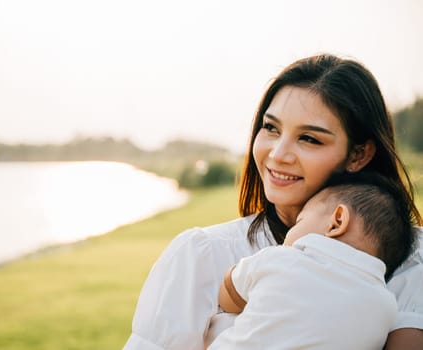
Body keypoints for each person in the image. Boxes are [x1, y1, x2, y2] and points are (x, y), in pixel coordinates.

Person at [123, 54, 423, 350]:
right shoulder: (202, 255)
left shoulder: (413, 261)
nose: (278, 154)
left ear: (358, 155)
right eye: (271, 128)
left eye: (309, 138)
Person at [210, 172, 416, 349]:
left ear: (337, 222)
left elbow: (228, 296)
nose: (288, 234)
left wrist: (238, 273)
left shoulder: (282, 258)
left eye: (300, 221)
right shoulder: (386, 307)